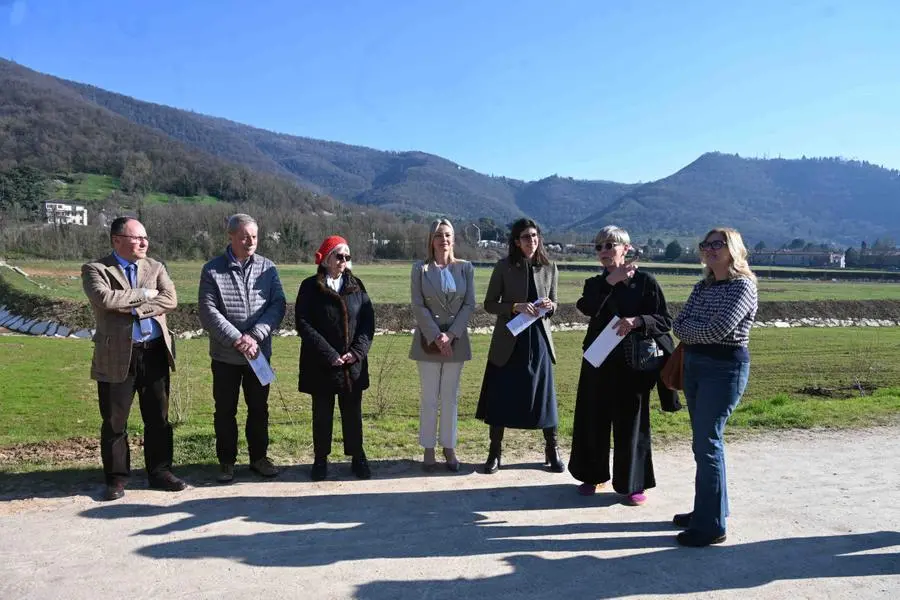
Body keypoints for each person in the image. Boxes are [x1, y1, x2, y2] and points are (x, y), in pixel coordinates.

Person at [567, 226, 675, 505]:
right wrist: (610, 282)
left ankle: (633, 483)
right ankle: (592, 475)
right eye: (599, 246)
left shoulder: (646, 282)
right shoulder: (594, 284)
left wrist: (638, 322)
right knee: (593, 420)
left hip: (634, 363)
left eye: (609, 245)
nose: (603, 251)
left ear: (626, 249)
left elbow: (664, 320)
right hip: (598, 361)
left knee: (632, 424)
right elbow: (588, 307)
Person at [81, 216, 186, 501]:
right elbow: (105, 299)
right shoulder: (96, 269)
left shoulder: (156, 266)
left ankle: (160, 472)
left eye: (145, 237)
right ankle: (116, 479)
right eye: (136, 238)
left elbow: (170, 299)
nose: (144, 242)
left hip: (154, 352)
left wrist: (135, 309)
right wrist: (144, 294)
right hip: (116, 355)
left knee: (158, 417)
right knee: (115, 420)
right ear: (117, 240)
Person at [672, 227, 758, 547]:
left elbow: (715, 330)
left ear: (733, 248)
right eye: (705, 244)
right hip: (695, 366)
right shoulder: (703, 285)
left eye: (716, 244)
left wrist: (693, 330)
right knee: (703, 443)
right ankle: (708, 511)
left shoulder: (743, 287)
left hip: (724, 369)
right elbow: (679, 324)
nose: (709, 249)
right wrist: (695, 330)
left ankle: (711, 527)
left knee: (707, 443)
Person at [198, 213, 286, 484]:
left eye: (254, 237)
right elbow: (208, 311)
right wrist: (238, 339)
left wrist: (255, 336)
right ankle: (226, 462)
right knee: (225, 411)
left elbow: (278, 305)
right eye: (244, 236)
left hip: (259, 355)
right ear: (231, 237)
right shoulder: (212, 270)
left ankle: (259, 458)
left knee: (259, 410)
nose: (250, 241)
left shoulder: (268, 268)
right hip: (225, 356)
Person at [476, 218, 564, 474]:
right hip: (509, 341)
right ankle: (495, 452)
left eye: (535, 236)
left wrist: (551, 307)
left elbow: (556, 303)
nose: (532, 241)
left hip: (539, 340)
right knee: (501, 397)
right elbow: (490, 303)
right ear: (516, 241)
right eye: (526, 237)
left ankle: (552, 448)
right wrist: (514, 307)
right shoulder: (503, 267)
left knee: (545, 398)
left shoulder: (550, 267)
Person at [296, 236, 375, 481]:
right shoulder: (310, 286)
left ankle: (357, 456)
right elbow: (303, 323)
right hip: (321, 364)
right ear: (326, 258)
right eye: (339, 256)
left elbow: (367, 322)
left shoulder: (357, 285)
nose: (343, 261)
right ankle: (320, 459)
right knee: (321, 414)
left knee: (353, 413)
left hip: (352, 364)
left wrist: (357, 352)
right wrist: (329, 354)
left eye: (347, 257)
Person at [409, 219, 476, 472]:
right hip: (428, 340)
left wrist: (451, 335)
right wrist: (437, 336)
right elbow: (418, 305)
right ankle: (428, 448)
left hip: (456, 341)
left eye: (447, 235)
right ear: (431, 240)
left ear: (454, 239)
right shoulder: (419, 269)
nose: (443, 239)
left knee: (450, 398)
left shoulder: (466, 268)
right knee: (429, 397)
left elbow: (469, 304)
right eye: (438, 235)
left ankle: (449, 447)